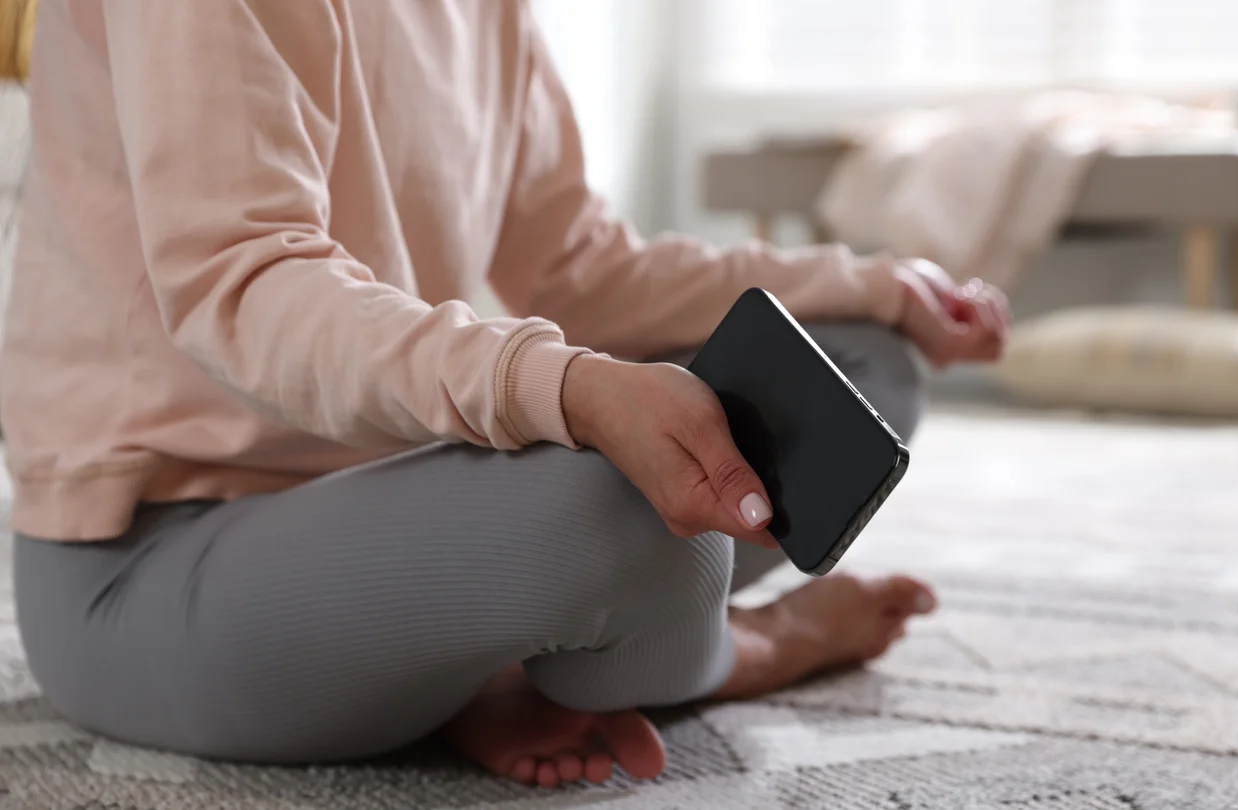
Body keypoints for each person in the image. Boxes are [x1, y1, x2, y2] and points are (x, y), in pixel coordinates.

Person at [2, 0, 1009, 790]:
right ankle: (734, 648)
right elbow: (246, 283)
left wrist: (876, 286)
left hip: (394, 500)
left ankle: (496, 657)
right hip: (153, 557)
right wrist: (567, 389)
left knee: (856, 367)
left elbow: (578, 264)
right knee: (624, 515)